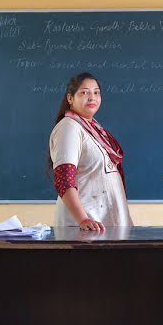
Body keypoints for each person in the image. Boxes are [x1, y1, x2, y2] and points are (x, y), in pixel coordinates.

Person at [48, 72, 132, 231]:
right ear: (70, 98)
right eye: (84, 92)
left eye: (96, 92)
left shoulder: (95, 130)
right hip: (85, 227)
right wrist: (83, 219)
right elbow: (63, 179)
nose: (92, 97)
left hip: (103, 224)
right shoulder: (69, 127)